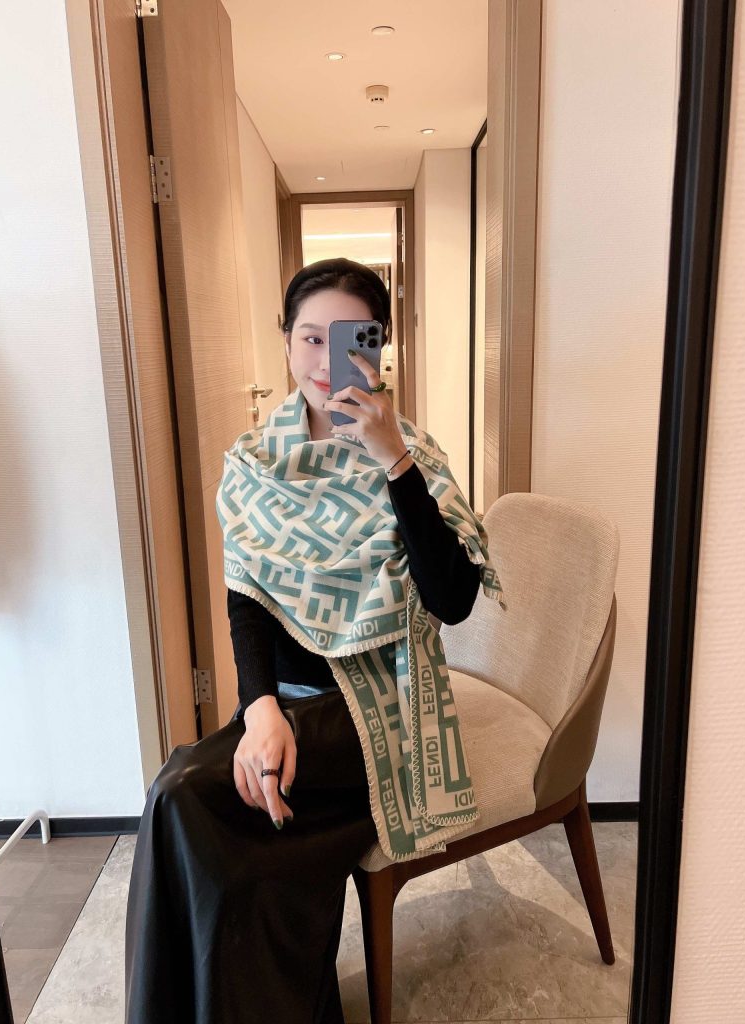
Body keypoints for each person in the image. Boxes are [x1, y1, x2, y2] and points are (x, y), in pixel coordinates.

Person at [124, 258, 500, 1024]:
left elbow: (454, 601)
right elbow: (247, 603)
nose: (328, 361)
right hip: (287, 709)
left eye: (351, 338)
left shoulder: (417, 455)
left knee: (186, 797)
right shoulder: (257, 462)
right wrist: (259, 708)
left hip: (378, 714)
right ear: (286, 342)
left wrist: (393, 461)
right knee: (204, 835)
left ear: (380, 345)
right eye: (310, 338)